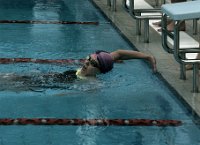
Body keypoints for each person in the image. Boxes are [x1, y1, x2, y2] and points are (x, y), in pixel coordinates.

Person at [0, 50, 157, 91]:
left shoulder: (93, 83)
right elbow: (120, 53)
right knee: (9, 76)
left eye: (92, 63)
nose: (86, 63)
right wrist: (147, 56)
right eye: (88, 59)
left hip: (43, 86)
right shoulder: (101, 63)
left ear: (99, 71)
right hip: (47, 76)